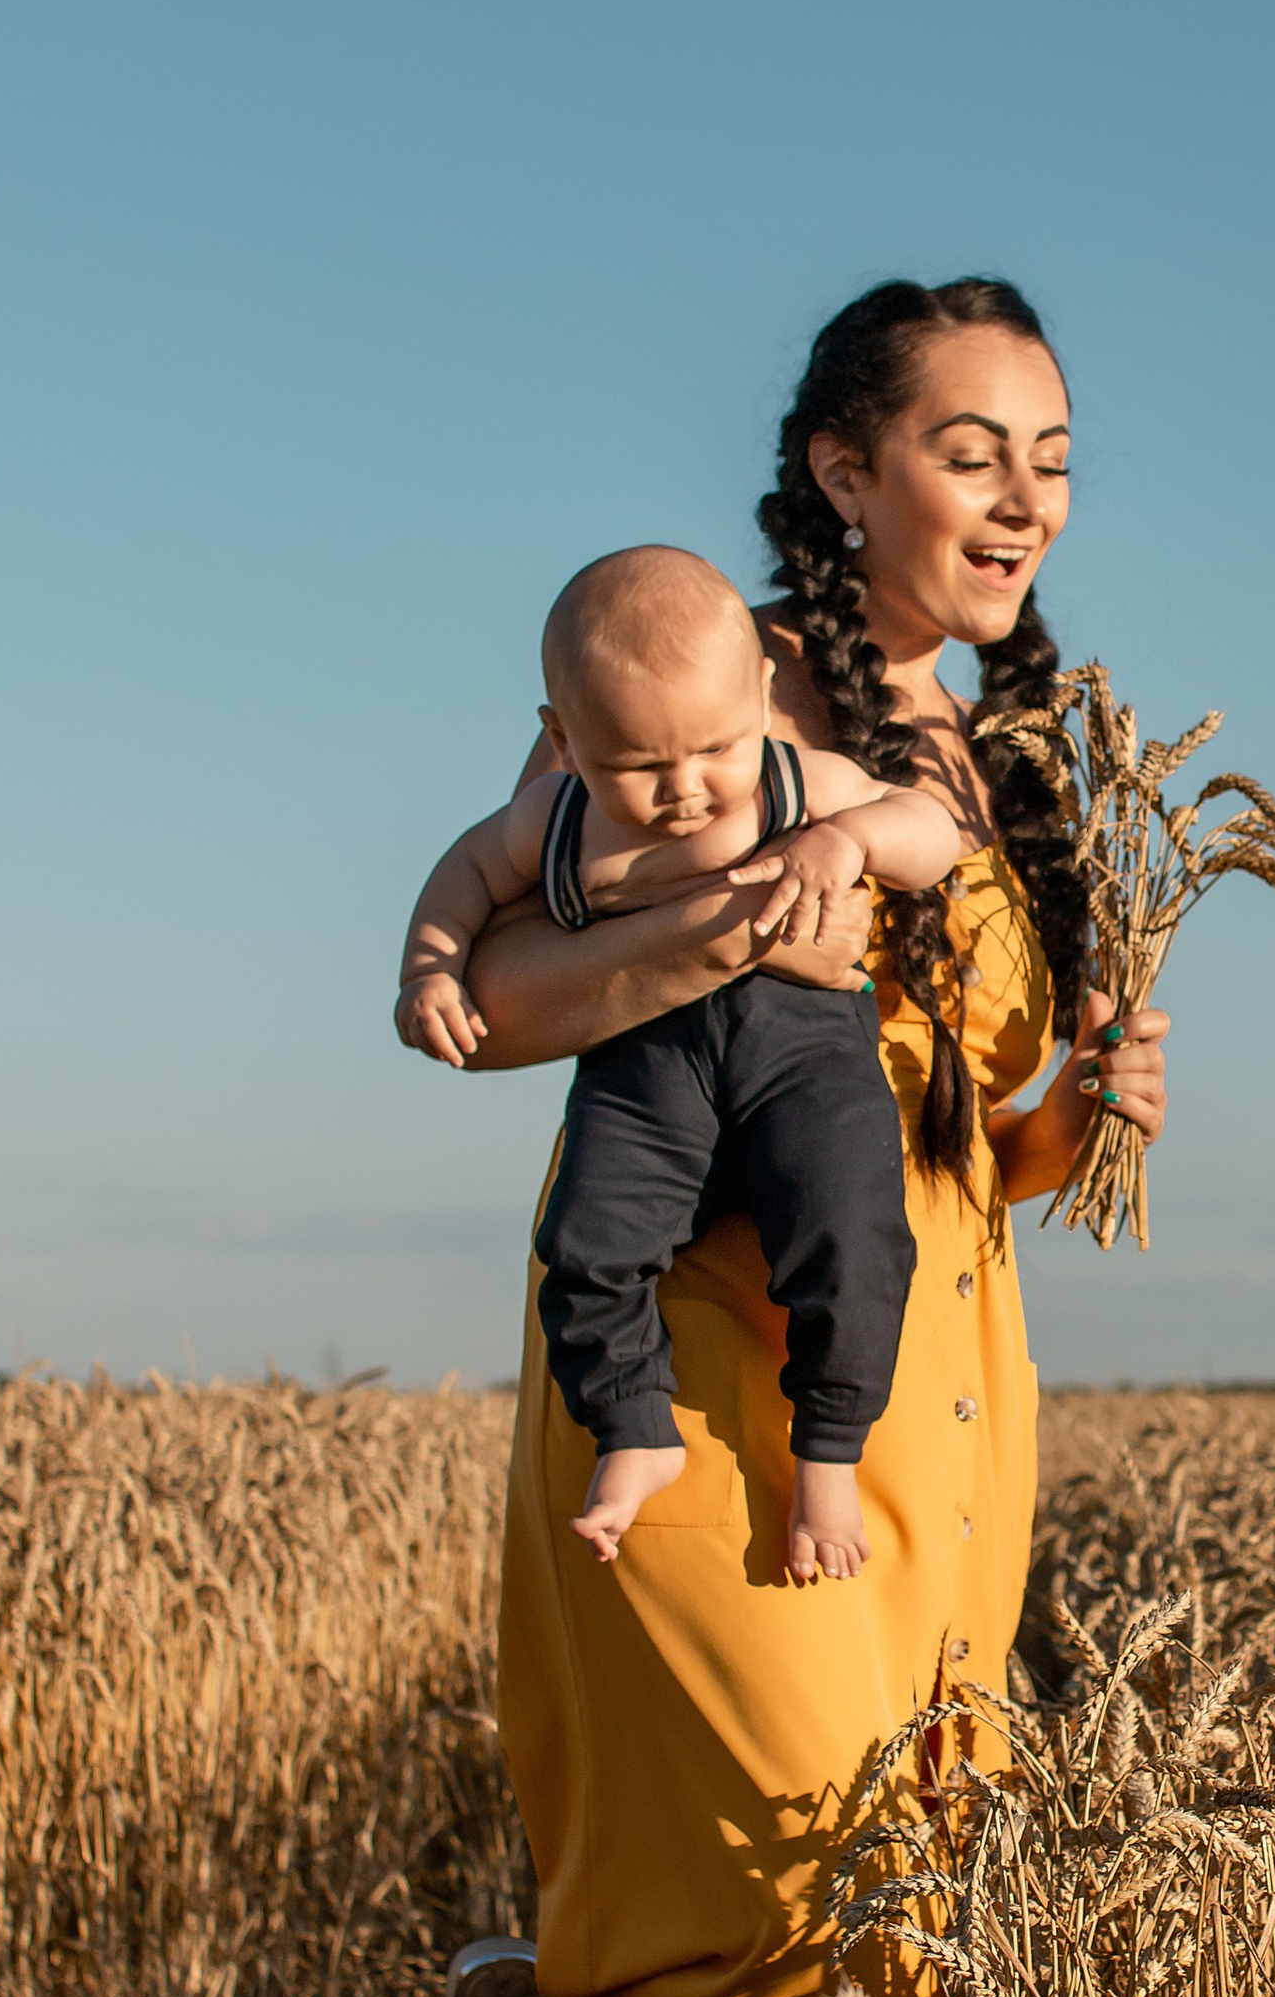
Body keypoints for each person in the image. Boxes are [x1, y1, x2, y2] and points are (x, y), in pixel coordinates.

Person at [402, 277, 1170, 1997]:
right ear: (844, 470)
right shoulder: (695, 689)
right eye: (969, 447)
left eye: (1052, 455)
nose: (1023, 496)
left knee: (857, 1947)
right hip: (692, 1381)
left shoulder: (1009, 758)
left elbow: (969, 1136)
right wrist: (745, 916)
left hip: (921, 1405)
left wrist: (1084, 1110)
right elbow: (486, 1000)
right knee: (780, 1918)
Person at [395, 543, 967, 1578]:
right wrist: (429, 970)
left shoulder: (796, 782)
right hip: (646, 1069)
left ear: (761, 699)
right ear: (563, 740)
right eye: (637, 766)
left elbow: (932, 832)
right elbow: (463, 878)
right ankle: (633, 1428)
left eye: (714, 749)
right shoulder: (554, 823)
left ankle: (828, 1450)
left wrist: (850, 842)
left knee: (854, 1239)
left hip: (805, 1056)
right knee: (585, 1246)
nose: (685, 789)